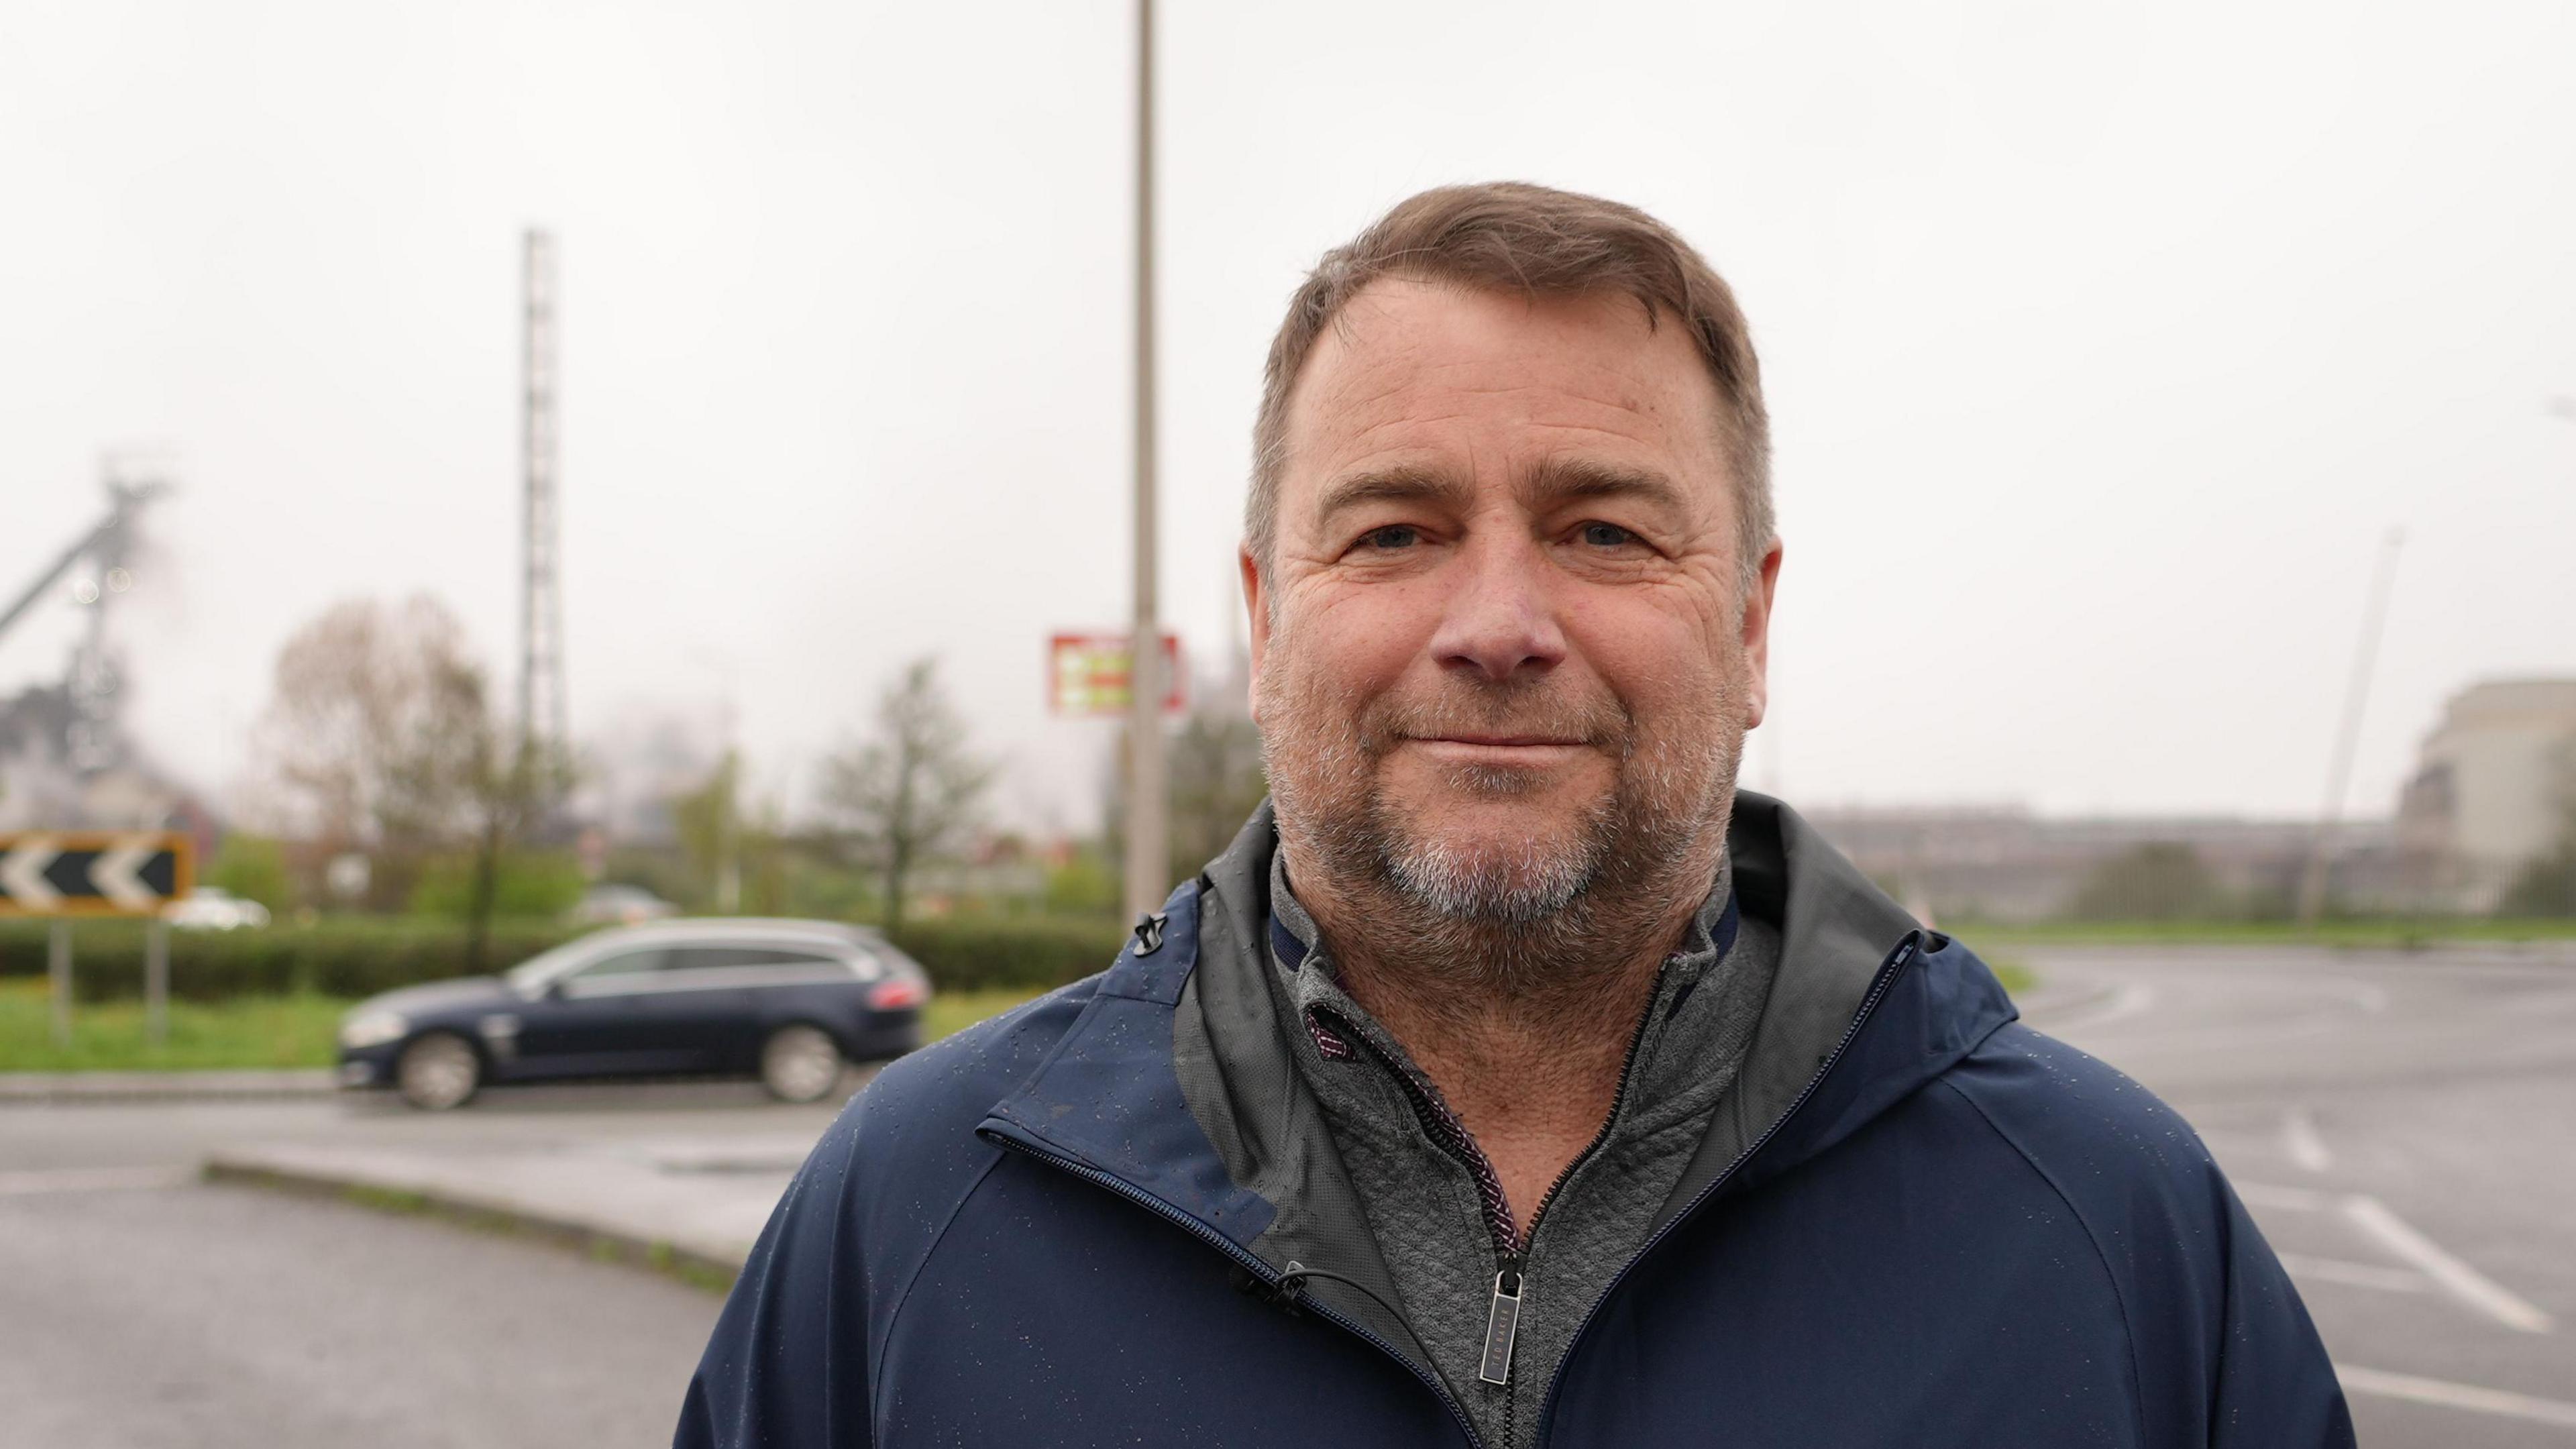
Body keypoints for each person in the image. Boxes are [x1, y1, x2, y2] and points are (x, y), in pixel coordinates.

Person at [676, 182, 2353, 1448]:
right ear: (1265, 622)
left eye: (1606, 530)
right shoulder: (914, 1216)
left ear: (1752, 623)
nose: (1497, 621)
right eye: (1396, 530)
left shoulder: (2113, 1229)